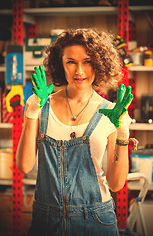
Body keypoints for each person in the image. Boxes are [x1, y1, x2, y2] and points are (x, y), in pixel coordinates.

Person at [16, 28, 134, 236]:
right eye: (71, 62)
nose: (79, 71)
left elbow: (116, 184)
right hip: (46, 221)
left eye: (87, 61)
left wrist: (123, 133)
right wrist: (31, 113)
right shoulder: (41, 105)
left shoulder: (111, 112)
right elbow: (24, 166)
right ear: (60, 64)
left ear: (99, 64)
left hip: (96, 220)